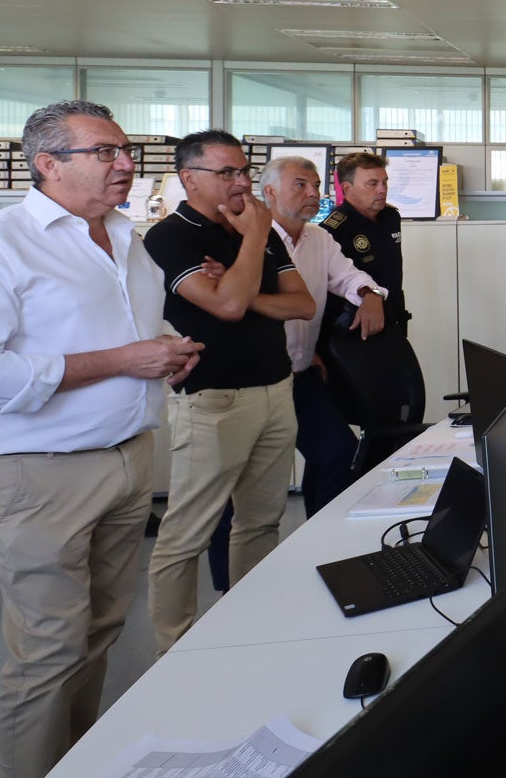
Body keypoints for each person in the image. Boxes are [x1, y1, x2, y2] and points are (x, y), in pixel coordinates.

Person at [0, 101, 202, 778]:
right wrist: (122, 362)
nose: (126, 164)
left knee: (101, 634)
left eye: (126, 150)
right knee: (49, 650)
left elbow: (118, 334)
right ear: (48, 164)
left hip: (128, 459)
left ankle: (72, 765)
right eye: (104, 153)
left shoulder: (126, 238)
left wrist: (165, 349)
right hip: (35, 474)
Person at [142, 130, 313, 653]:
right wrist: (255, 243)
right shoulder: (170, 238)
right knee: (186, 534)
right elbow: (227, 309)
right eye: (227, 174)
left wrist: (242, 286)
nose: (241, 183)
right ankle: (177, 649)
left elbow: (301, 304)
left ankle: (249, 633)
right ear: (188, 179)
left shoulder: (255, 230)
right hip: (214, 400)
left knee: (261, 522)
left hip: (275, 390)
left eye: (244, 171)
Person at [202, 157, 387, 590]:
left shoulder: (320, 239)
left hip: (300, 377)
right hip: (250, 381)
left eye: (317, 184)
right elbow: (229, 300)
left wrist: (368, 293)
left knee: (339, 454)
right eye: (300, 184)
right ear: (268, 193)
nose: (313, 193)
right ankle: (228, 585)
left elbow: (347, 277)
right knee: (236, 484)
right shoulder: (246, 239)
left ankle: (321, 549)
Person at [320, 151, 408, 337]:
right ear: (347, 188)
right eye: (372, 184)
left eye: (384, 182)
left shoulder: (391, 217)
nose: (382, 189)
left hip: (393, 316)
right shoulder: (333, 229)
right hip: (353, 326)